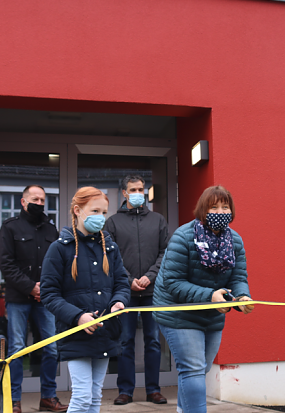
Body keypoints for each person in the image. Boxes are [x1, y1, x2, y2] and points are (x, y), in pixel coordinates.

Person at [153, 185, 253, 413]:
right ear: (202, 210)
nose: (219, 212)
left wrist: (242, 296)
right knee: (192, 369)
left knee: (201, 369)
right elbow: (173, 283)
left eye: (224, 207)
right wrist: (210, 295)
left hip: (212, 313)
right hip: (177, 311)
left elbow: (238, 277)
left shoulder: (234, 240)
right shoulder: (183, 236)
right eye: (213, 207)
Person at [41, 186, 130, 413]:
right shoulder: (58, 249)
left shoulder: (110, 248)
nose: (100, 218)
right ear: (78, 211)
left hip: (105, 331)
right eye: (94, 211)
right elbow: (49, 294)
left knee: (94, 396)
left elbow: (121, 282)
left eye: (103, 212)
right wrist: (78, 317)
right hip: (76, 334)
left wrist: (118, 302)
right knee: (81, 397)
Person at [0, 185, 67, 413]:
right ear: (23, 201)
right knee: (17, 348)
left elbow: (57, 263)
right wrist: (31, 287)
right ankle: (14, 400)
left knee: (52, 348)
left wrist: (44, 289)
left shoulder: (50, 229)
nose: (39, 202)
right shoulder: (10, 227)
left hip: (44, 299)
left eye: (42, 199)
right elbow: (6, 264)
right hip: (18, 298)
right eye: (34, 198)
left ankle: (48, 397)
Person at [105, 175, 169, 405]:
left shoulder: (158, 220)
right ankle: (125, 390)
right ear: (124, 192)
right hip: (125, 293)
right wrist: (130, 279)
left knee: (152, 341)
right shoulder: (112, 222)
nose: (138, 193)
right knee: (125, 342)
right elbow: (110, 257)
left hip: (152, 292)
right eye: (133, 189)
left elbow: (166, 252)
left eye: (141, 189)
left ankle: (153, 390)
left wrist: (149, 277)